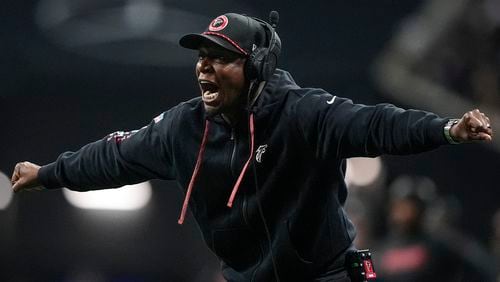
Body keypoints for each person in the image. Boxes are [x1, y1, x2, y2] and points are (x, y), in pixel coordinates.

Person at [10, 12, 493, 282]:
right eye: (201, 59)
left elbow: (375, 124)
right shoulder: (183, 127)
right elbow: (114, 156)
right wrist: (50, 173)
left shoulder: (303, 114)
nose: (204, 69)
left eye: (221, 59)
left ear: (257, 68)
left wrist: (447, 128)